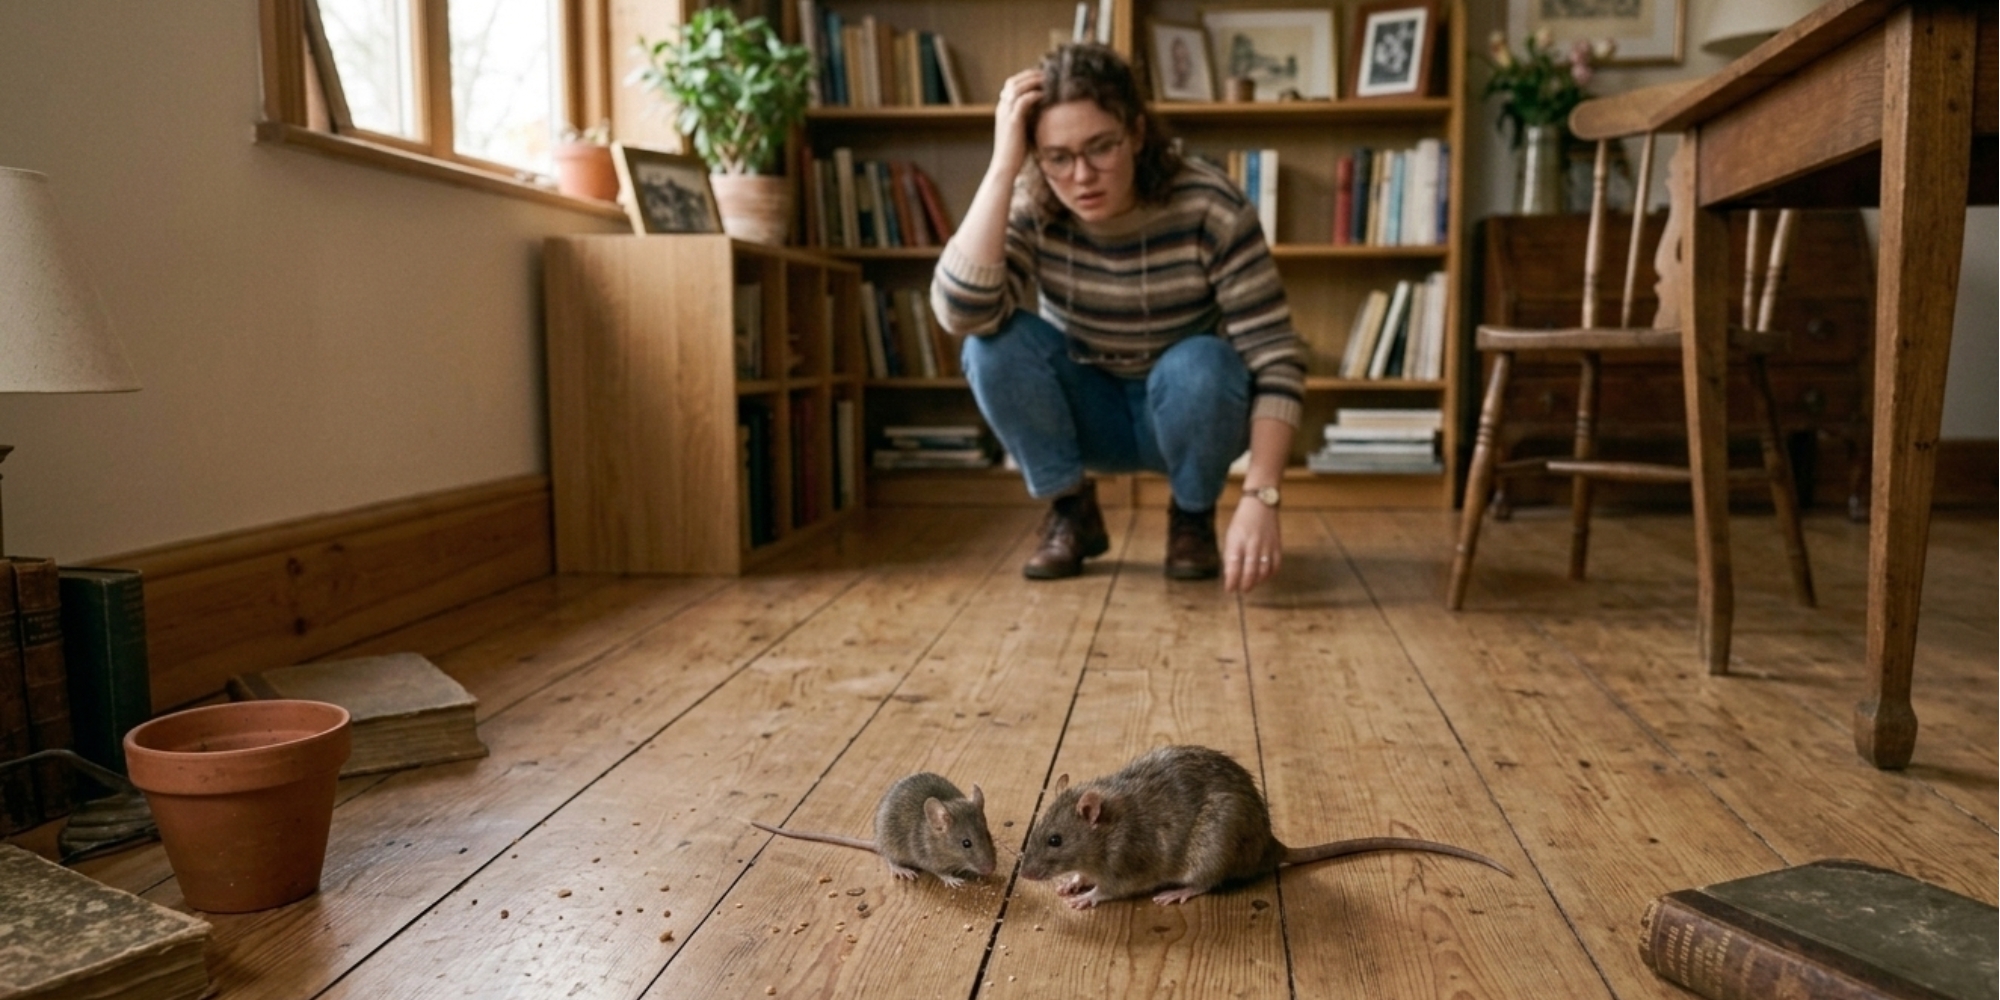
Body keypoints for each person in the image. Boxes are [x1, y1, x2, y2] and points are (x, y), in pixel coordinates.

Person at [929, 43, 1304, 593]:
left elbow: (1275, 358)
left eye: (1100, 148)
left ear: (1136, 132)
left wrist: (1261, 495)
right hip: (1086, 413)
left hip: (1183, 414)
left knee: (1205, 361)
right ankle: (1071, 511)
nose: (1082, 175)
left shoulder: (1210, 205)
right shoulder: (1033, 201)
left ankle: (1192, 517)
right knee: (990, 343)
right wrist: (1004, 167)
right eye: (1057, 156)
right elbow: (961, 314)